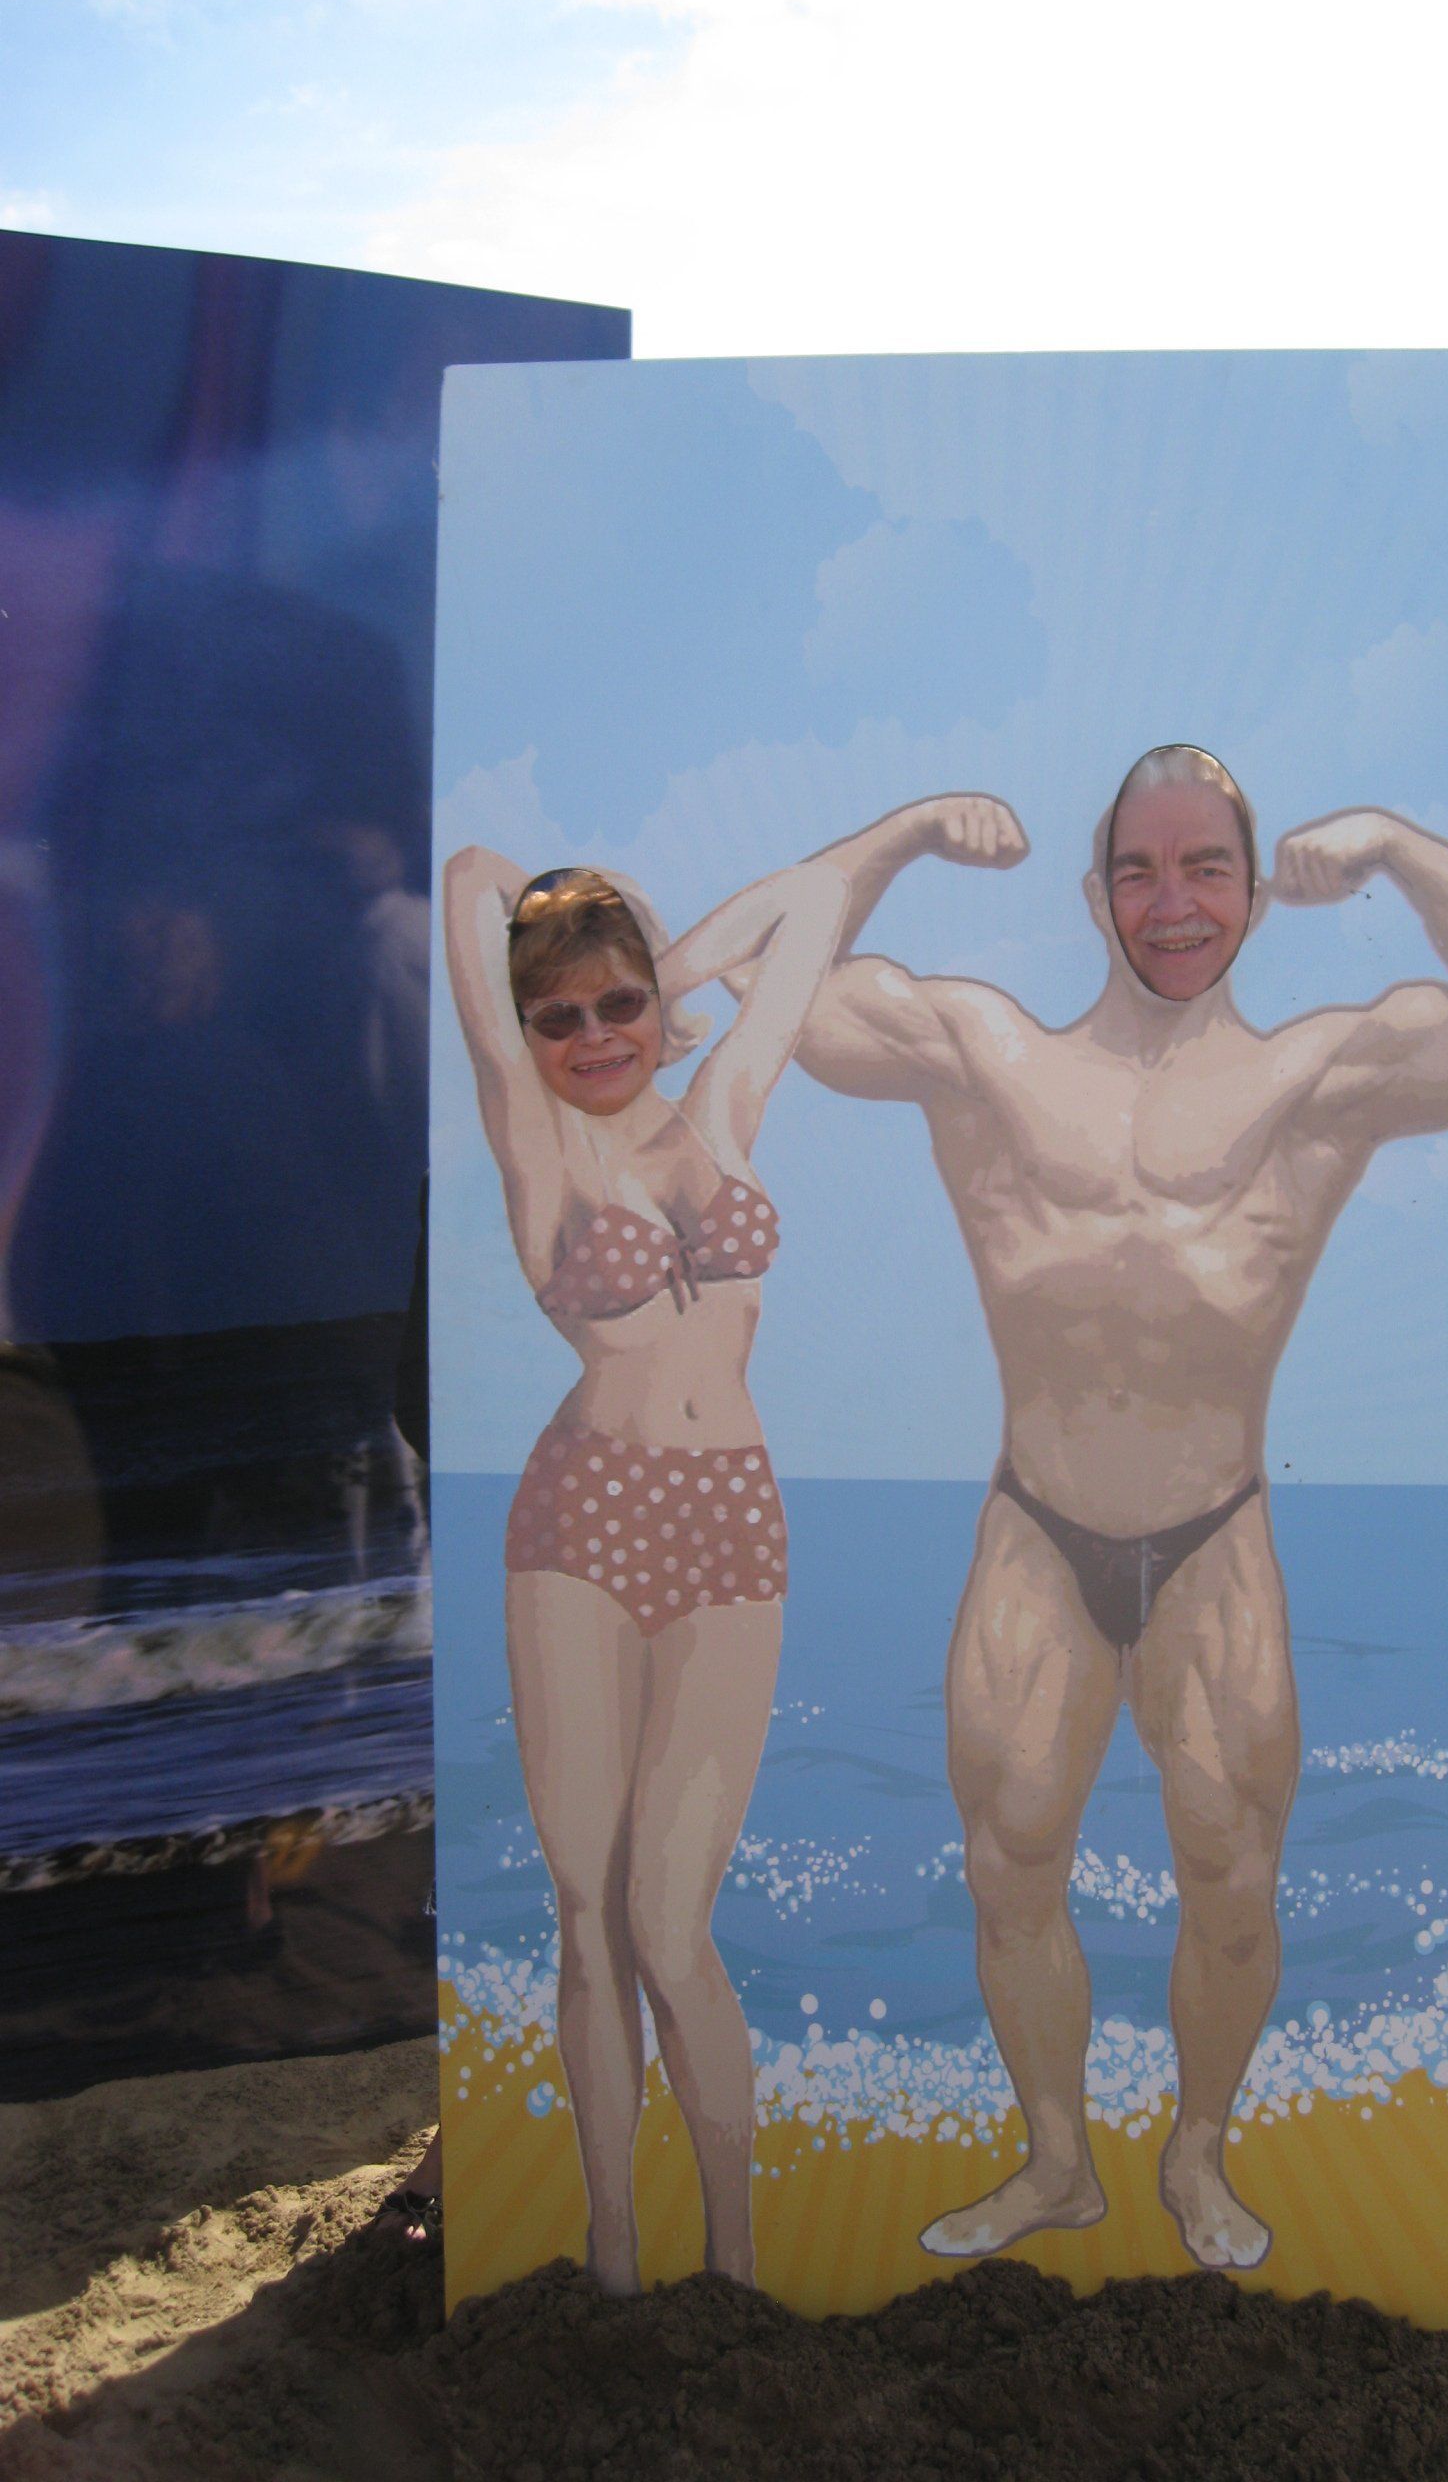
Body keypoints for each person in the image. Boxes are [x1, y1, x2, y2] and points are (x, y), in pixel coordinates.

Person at [756, 745, 1448, 2272]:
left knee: (1233, 1878)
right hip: (1037, 1527)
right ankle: (1056, 2161)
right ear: (1095, 894)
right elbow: (780, 982)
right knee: (1009, 1860)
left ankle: (1197, 2152)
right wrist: (907, 829)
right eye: (1139, 869)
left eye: (1207, 866)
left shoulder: (1320, 1076)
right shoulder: (989, 1052)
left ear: (1256, 893)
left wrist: (1396, 843)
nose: (1173, 899)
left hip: (1214, 1537)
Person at [442, 842, 849, 2291]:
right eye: (559, 1017)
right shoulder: (537, 1141)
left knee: (671, 1925)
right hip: (582, 1521)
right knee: (587, 1914)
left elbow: (811, 911)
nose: (594, 1035)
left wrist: (657, 978)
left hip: (729, 1524)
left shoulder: (719, 1108)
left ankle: (733, 2267)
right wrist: (539, 919)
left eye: (617, 1006)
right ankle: (613, 2251)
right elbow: (467, 894)